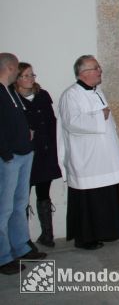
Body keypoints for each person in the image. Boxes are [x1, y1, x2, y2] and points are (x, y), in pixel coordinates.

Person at [57, 55, 119, 250]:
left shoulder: (97, 91)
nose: (100, 71)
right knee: (89, 200)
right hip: (87, 160)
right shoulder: (70, 95)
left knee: (105, 197)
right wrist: (99, 116)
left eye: (98, 67)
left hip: (103, 158)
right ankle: (85, 238)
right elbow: (71, 123)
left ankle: (107, 231)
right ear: (83, 73)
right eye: (96, 68)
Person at [0, 53, 46, 275]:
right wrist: (6, 154)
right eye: (18, 69)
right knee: (4, 208)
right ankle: (2, 256)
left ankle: (21, 246)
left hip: (24, 153)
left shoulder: (10, 91)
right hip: (8, 158)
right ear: (10, 68)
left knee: (19, 204)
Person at [14, 63, 62, 247]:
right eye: (25, 75)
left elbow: (51, 122)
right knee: (22, 197)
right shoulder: (13, 98)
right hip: (26, 155)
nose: (30, 78)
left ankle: (47, 234)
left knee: (44, 194)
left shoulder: (42, 95)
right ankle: (23, 239)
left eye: (31, 74)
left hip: (46, 152)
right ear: (17, 78)